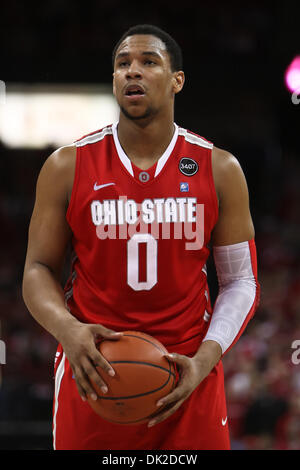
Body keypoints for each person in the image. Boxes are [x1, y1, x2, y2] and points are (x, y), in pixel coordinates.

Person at [22, 24, 260, 450]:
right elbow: (37, 268)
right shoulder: (67, 166)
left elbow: (241, 281)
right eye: (122, 64)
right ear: (114, 80)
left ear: (176, 81)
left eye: (149, 62)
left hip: (189, 369)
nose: (133, 71)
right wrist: (67, 330)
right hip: (92, 370)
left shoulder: (220, 168)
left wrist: (205, 359)